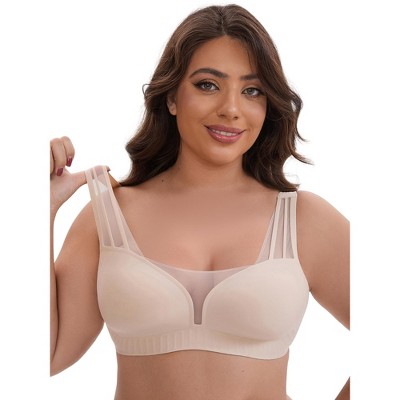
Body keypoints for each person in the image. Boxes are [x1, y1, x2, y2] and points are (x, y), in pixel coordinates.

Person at [50, 4, 349, 399]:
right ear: (172, 97)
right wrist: (32, 213)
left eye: (252, 91)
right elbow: (47, 355)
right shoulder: (108, 216)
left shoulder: (303, 220)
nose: (231, 109)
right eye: (208, 85)